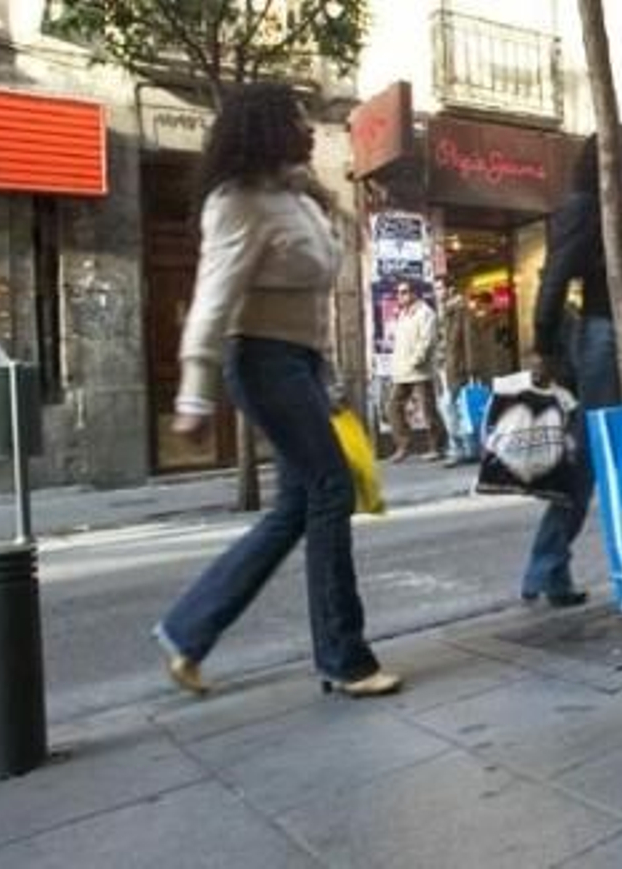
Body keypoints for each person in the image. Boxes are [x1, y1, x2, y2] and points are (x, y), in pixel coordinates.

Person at [153, 82, 401, 699]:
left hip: (301, 365)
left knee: (296, 507)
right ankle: (345, 658)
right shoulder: (237, 203)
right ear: (266, 128)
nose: (310, 126)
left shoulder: (299, 198)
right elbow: (213, 302)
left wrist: (331, 382)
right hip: (262, 361)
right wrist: (194, 394)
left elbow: (315, 305)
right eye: (297, 118)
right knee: (330, 489)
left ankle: (188, 630)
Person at [525, 125, 622, 608]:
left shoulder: (619, 208)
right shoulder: (587, 206)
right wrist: (543, 347)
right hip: (603, 338)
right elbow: (556, 276)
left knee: (617, 451)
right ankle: (549, 564)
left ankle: (550, 565)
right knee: (592, 457)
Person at [387, 280, 447, 462]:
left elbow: (427, 340)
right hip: (403, 371)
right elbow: (400, 342)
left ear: (414, 293)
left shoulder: (425, 313)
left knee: (428, 409)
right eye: (398, 292)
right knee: (393, 407)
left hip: (420, 370)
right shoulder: (403, 314)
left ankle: (438, 447)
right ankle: (403, 445)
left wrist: (416, 360)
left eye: (404, 292)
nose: (400, 296)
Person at [439, 280, 485, 466]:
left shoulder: (461, 311)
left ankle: (459, 449)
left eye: (441, 288)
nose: (439, 292)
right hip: (445, 368)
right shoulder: (444, 312)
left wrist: (472, 369)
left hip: (458, 369)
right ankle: (466, 448)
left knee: (454, 409)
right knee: (453, 409)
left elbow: (470, 342)